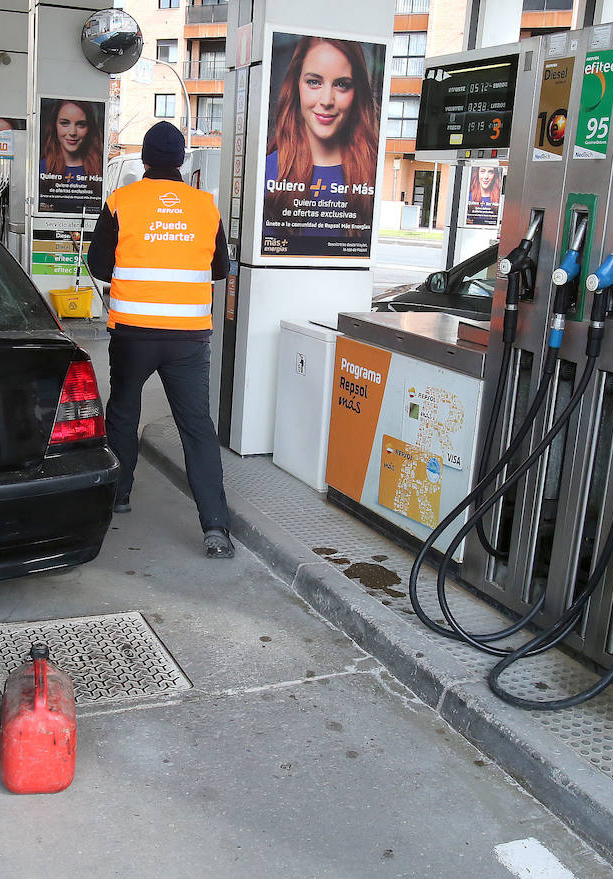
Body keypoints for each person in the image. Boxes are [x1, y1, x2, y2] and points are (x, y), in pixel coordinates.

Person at [87, 122, 234, 559]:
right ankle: (216, 529)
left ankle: (120, 495)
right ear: (183, 161)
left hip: (133, 334)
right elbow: (221, 268)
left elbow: (97, 264)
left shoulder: (121, 201)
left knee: (124, 412)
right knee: (197, 429)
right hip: (189, 338)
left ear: (145, 160)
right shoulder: (205, 206)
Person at [263, 36, 380, 239]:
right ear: (296, 86)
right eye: (314, 82)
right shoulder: (270, 170)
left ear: (357, 92)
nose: (326, 100)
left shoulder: (372, 170)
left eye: (341, 84)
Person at [38, 100, 104, 213]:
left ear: (89, 128)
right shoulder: (42, 168)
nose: (73, 132)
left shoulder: (99, 168)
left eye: (81, 125)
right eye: (65, 123)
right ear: (55, 126)